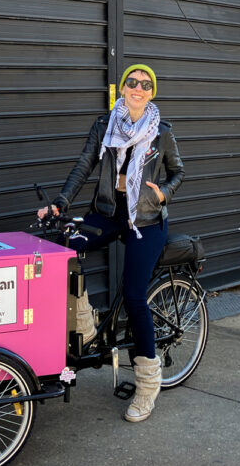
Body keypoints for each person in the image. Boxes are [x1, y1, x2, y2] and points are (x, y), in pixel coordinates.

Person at [37, 64, 184, 422]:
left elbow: (178, 172)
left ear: (152, 93)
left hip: (146, 220)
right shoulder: (105, 125)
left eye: (145, 84)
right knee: (65, 247)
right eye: (132, 82)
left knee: (134, 295)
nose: (138, 88)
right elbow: (84, 164)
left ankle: (147, 385)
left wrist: (163, 193)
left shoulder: (161, 132)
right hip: (109, 211)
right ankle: (85, 326)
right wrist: (61, 202)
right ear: (122, 88)